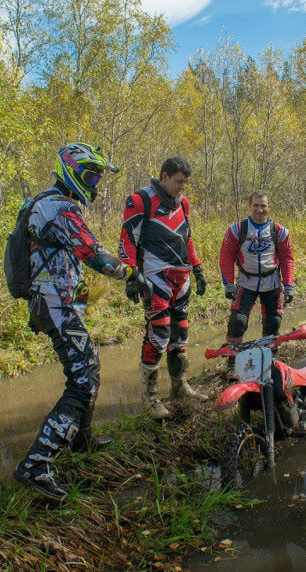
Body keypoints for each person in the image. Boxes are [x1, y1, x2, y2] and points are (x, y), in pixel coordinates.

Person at [13, 143, 153, 500]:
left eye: (97, 177)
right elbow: (92, 251)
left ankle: (81, 439)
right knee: (83, 379)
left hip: (57, 304)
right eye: (90, 175)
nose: (94, 183)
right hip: (55, 306)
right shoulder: (57, 208)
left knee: (87, 367)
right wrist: (131, 274)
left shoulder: (49, 204)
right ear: (70, 170)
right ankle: (36, 463)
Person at [118, 157, 209, 420]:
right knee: (158, 335)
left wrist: (198, 268)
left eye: (185, 183)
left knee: (180, 337)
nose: (182, 187)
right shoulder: (139, 201)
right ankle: (151, 397)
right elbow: (127, 240)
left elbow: (186, 238)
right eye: (179, 182)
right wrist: (131, 276)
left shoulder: (184, 203)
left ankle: (180, 388)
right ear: (165, 176)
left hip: (182, 279)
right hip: (154, 279)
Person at [219, 191, 294, 378]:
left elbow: (287, 259)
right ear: (249, 206)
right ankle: (232, 364)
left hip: (272, 282)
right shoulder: (237, 230)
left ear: (269, 207)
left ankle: (269, 360)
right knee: (237, 322)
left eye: (263, 206)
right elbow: (226, 257)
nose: (259, 210)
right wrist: (228, 283)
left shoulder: (280, 232)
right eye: (256, 205)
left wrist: (289, 285)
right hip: (246, 281)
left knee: (273, 323)